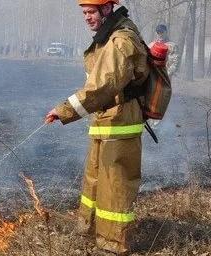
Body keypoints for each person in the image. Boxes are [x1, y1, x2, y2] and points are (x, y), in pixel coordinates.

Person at [44, 0, 150, 254]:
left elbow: (102, 85)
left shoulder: (120, 41)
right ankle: (89, 228)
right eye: (84, 13)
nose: (87, 18)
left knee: (115, 184)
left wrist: (64, 110)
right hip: (106, 119)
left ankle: (113, 243)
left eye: (91, 12)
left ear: (107, 10)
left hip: (120, 122)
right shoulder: (107, 37)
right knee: (94, 178)